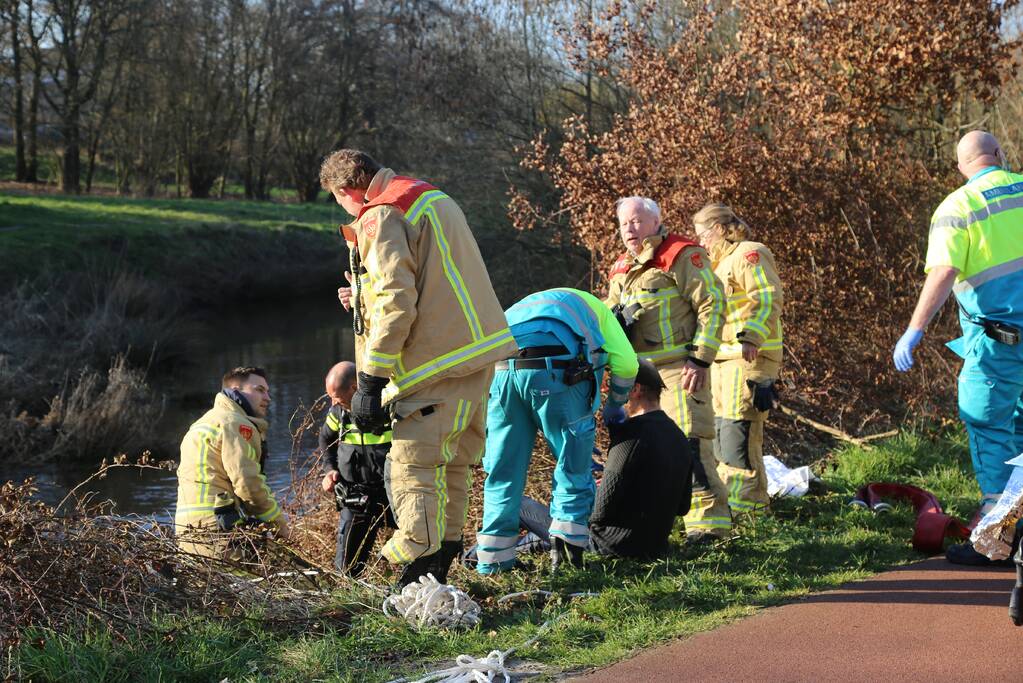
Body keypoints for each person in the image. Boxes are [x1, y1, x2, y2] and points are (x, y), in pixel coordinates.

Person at [322, 149, 517, 586]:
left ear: (345, 190)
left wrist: (370, 382)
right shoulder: (430, 198)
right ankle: (438, 572)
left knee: (412, 469)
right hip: (472, 356)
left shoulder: (380, 215)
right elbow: (430, 282)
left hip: (431, 367)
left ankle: (414, 578)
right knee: (452, 469)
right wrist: (363, 297)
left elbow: (396, 303)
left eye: (342, 206)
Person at [893, 131, 1023, 566]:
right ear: (1000, 155)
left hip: (999, 345)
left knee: (988, 425)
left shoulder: (958, 207)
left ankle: (997, 539)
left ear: (961, 167)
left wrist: (915, 328)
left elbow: (944, 271)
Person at [476, 287, 639, 574]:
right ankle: (567, 559)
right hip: (556, 373)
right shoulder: (602, 313)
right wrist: (615, 405)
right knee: (572, 466)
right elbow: (627, 363)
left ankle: (493, 563)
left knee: (502, 471)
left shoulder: (532, 302)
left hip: (500, 373)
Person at [606, 196, 730, 543]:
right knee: (649, 453)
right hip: (639, 377)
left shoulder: (682, 255)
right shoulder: (621, 269)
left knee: (690, 447)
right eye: (624, 223)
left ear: (656, 222)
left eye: (637, 221)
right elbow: (608, 317)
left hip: (680, 369)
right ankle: (661, 525)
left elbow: (713, 303)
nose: (630, 229)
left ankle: (710, 529)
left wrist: (701, 357)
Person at [694, 203, 784, 516]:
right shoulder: (715, 266)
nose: (701, 241)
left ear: (719, 229)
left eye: (703, 234)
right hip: (722, 360)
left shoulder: (749, 253)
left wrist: (753, 336)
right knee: (720, 434)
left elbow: (767, 297)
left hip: (747, 358)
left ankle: (750, 511)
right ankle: (732, 506)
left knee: (738, 435)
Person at [175, 366, 289, 559]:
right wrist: (279, 524)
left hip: (187, 531)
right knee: (251, 585)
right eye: (259, 390)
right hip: (219, 528)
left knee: (205, 588)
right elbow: (248, 484)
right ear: (236, 390)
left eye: (267, 391)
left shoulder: (202, 422)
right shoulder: (236, 423)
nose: (268, 398)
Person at [319, 361, 396, 577]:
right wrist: (329, 469)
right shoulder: (338, 412)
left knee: (417, 546)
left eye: (336, 395)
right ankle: (350, 598)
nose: (333, 401)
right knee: (346, 568)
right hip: (356, 495)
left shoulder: (388, 405)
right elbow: (325, 438)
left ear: (354, 387)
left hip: (393, 492)